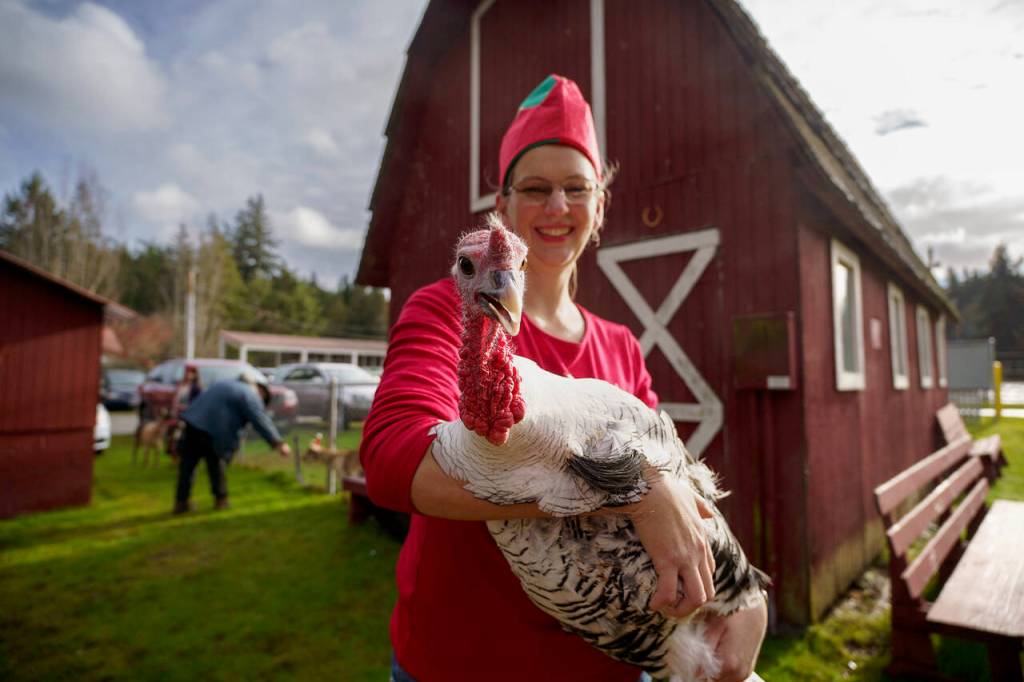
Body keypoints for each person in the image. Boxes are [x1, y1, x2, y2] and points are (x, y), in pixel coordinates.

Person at [360, 74, 767, 681]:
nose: (557, 207)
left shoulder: (619, 345)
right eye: (535, 188)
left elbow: (677, 483)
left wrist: (745, 595)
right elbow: (393, 459)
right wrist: (631, 489)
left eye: (577, 188)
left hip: (613, 663)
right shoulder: (454, 308)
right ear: (501, 206)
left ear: (599, 205)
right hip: (462, 663)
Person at [173, 372, 292, 514]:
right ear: (259, 389)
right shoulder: (249, 393)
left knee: (187, 466)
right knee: (216, 464)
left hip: (192, 425)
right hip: (214, 431)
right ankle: (221, 500)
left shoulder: (223, 384)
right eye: (262, 398)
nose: (261, 401)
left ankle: (181, 503)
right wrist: (278, 442)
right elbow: (259, 419)